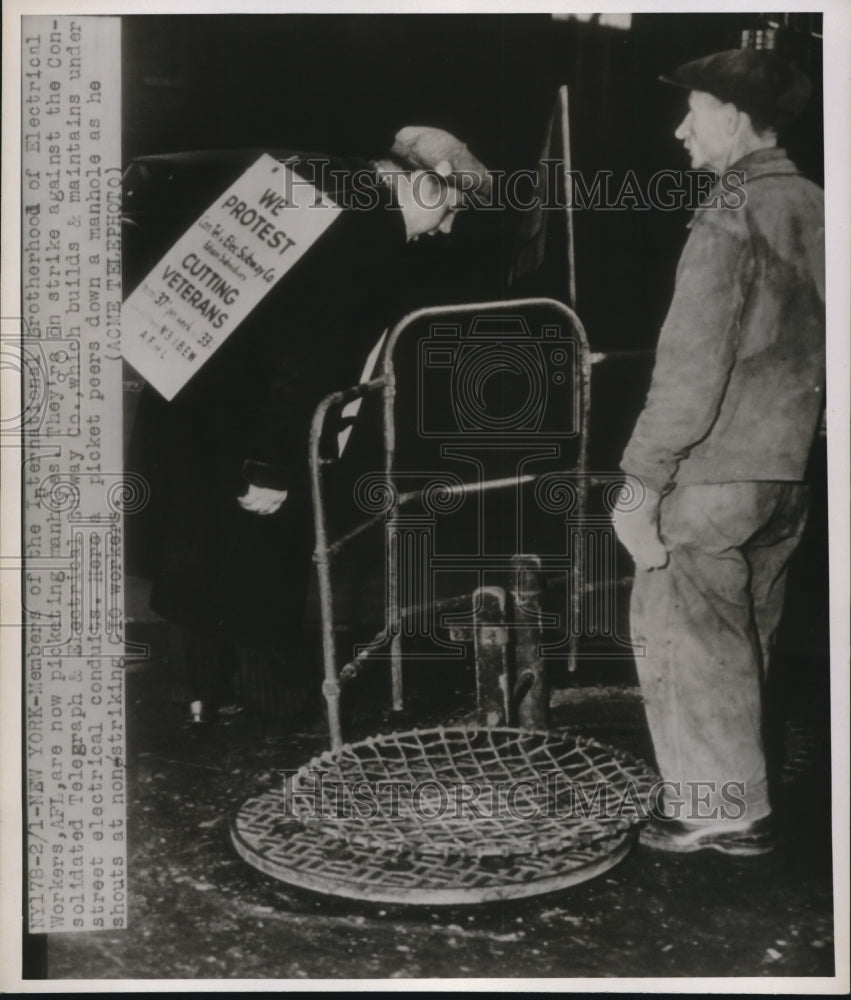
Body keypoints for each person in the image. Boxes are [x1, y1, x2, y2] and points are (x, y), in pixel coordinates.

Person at [128, 128, 490, 724]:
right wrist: (273, 467)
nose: (448, 228)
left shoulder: (315, 181)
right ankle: (277, 717)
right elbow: (308, 357)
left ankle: (195, 695)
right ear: (429, 183)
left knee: (192, 548)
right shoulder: (364, 235)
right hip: (255, 424)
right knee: (262, 562)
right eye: (452, 208)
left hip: (190, 392)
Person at [612, 48, 824, 854]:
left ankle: (718, 808)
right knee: (743, 642)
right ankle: (742, 791)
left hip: (712, 475)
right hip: (786, 475)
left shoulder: (729, 210)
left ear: (732, 119)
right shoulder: (815, 204)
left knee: (684, 636)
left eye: (693, 111)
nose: (680, 129)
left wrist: (640, 480)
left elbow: (689, 369)